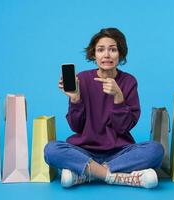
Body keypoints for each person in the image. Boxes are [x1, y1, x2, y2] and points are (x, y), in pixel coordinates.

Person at [44, 28, 164, 189]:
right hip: (84, 150)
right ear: (94, 54)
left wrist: (118, 98)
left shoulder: (128, 82)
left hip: (119, 152)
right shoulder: (82, 79)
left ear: (120, 54)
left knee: (155, 150)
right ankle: (116, 177)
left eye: (112, 49)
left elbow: (123, 128)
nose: (106, 55)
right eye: (101, 50)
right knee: (51, 149)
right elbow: (76, 127)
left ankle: (85, 175)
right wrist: (75, 99)